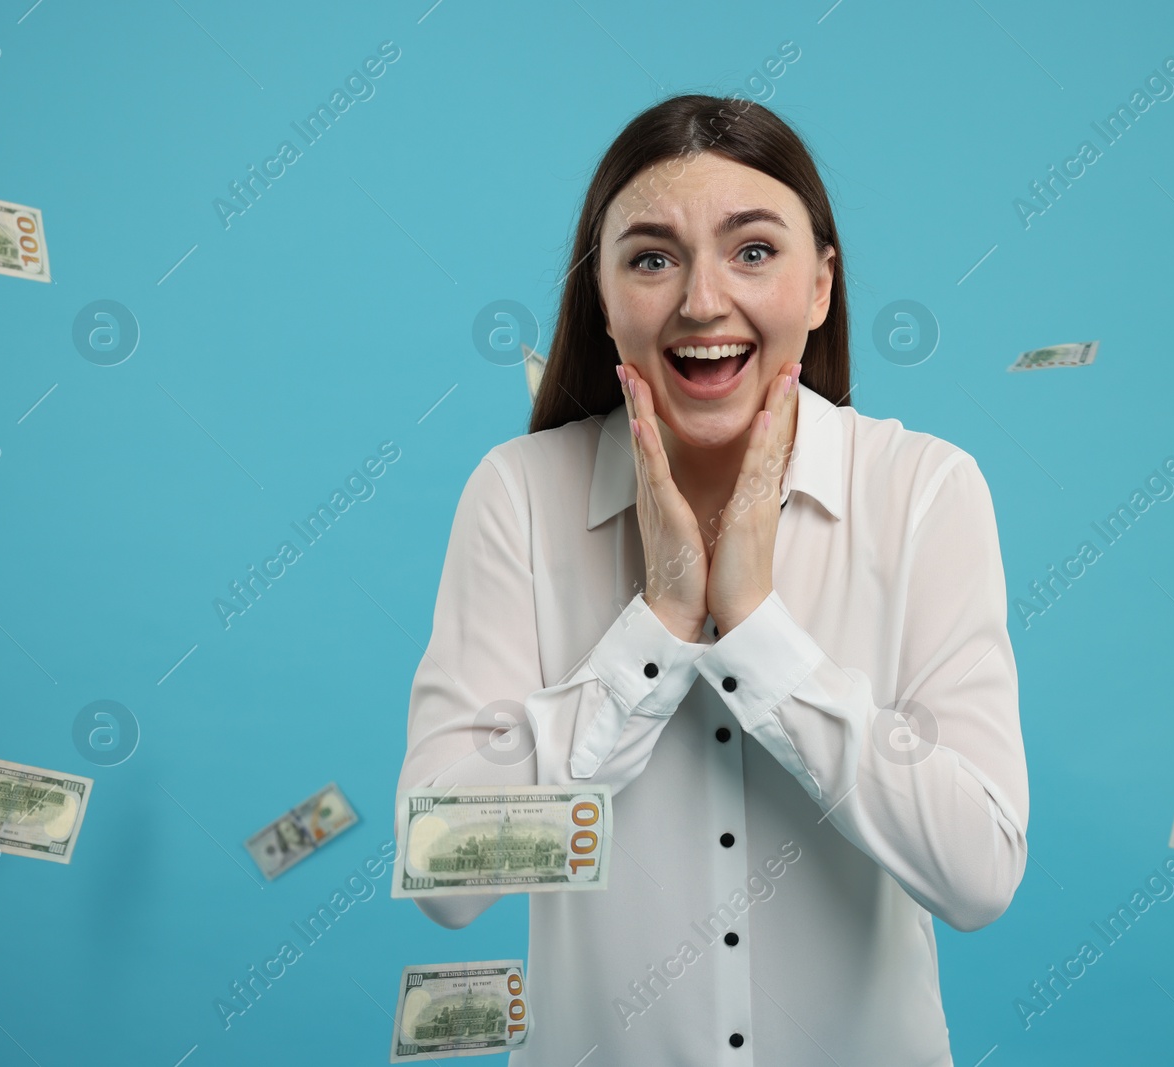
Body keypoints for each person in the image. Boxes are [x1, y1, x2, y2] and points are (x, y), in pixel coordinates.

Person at [395, 93, 1028, 1066]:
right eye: (651, 257)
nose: (701, 301)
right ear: (601, 298)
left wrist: (756, 628)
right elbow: (446, 874)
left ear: (820, 286)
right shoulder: (517, 496)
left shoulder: (925, 490)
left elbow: (978, 874)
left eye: (753, 251)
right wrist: (657, 625)